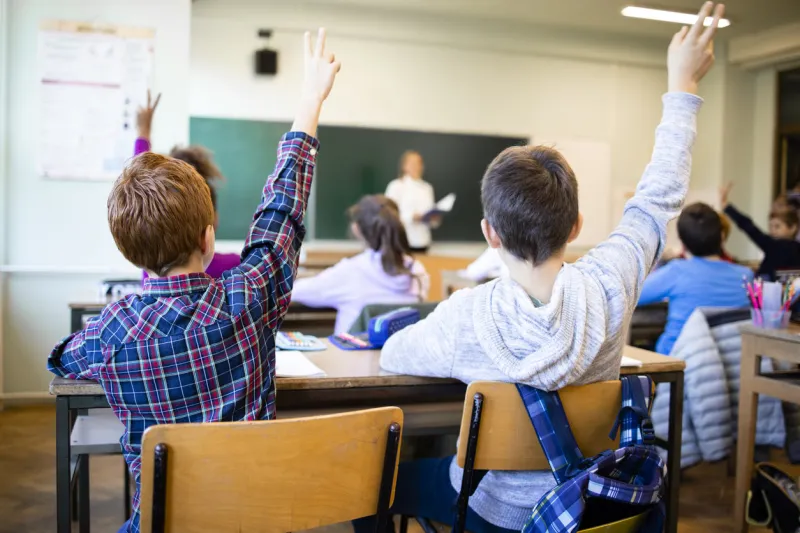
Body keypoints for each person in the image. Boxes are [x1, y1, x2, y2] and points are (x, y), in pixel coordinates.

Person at [355, 4, 724, 532]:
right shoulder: (611, 282)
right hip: (584, 506)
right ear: (576, 226)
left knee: (374, 479)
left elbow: (393, 355)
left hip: (491, 514)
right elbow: (658, 196)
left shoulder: (465, 315)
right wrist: (681, 85)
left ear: (489, 233)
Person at [47, 29, 341, 533]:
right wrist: (310, 101)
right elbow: (282, 211)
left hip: (161, 524)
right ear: (210, 240)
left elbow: (61, 358)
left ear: (127, 250)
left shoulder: (110, 334)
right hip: (252, 520)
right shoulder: (249, 296)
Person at [134, 91, 240, 279]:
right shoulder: (233, 267)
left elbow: (140, 186)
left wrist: (143, 133)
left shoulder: (151, 265)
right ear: (213, 223)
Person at [291, 194, 430, 333]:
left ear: (356, 229)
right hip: (399, 354)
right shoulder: (418, 272)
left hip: (352, 353)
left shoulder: (350, 271)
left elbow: (295, 291)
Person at [639, 202, 753, 355]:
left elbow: (633, 295)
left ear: (682, 241)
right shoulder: (746, 276)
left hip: (679, 362)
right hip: (734, 360)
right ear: (722, 236)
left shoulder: (677, 271)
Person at [721, 182, 800, 279]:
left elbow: (749, 227)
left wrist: (727, 207)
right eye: (771, 226)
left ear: (792, 228)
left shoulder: (772, 245)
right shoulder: (795, 247)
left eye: (777, 226)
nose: (773, 231)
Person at [385, 150, 438, 253]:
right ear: (404, 166)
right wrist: (411, 217)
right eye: (412, 163)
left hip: (423, 242)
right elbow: (388, 214)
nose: (416, 166)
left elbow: (430, 218)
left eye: (419, 163)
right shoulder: (396, 186)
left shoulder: (427, 188)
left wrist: (433, 219)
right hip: (402, 241)